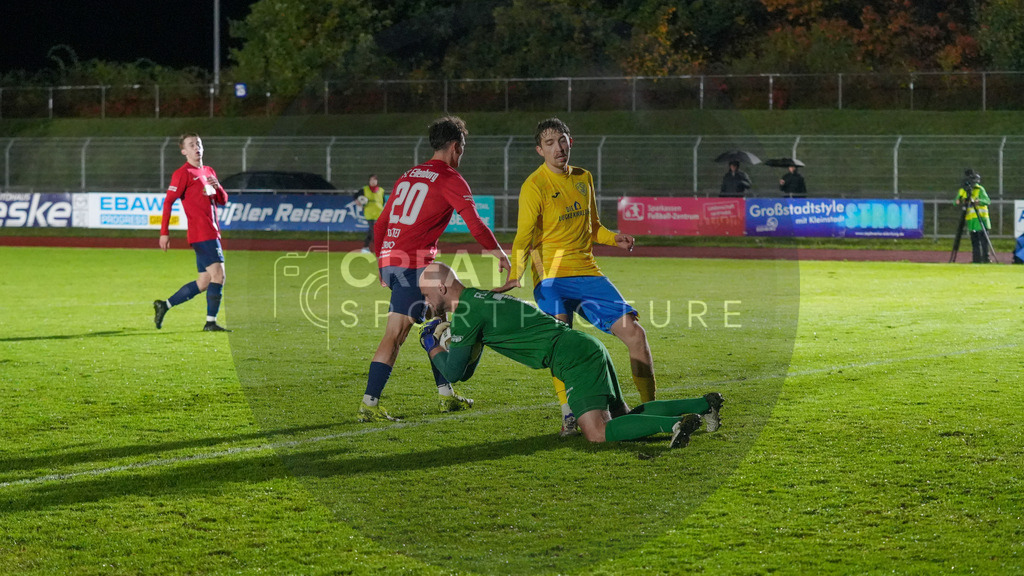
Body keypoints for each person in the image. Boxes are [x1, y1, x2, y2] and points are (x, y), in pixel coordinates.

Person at [420, 262, 724, 448]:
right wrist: (451, 343)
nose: (424, 300)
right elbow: (467, 366)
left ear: (442, 287)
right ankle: (703, 404)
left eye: (425, 293)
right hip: (582, 346)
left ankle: (674, 425)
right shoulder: (478, 299)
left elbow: (455, 372)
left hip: (570, 356)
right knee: (625, 418)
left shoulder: (469, 312)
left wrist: (430, 345)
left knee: (597, 433)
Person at [497, 117, 656, 437]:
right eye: (551, 143)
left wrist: (615, 238)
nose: (559, 148)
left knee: (635, 335)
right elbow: (523, 236)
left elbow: (594, 226)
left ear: (571, 142)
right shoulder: (534, 186)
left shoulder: (584, 178)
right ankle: (569, 414)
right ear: (539, 150)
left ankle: (649, 406)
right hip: (551, 277)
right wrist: (516, 275)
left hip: (587, 271)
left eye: (563, 140)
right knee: (561, 344)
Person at [359, 116, 512, 423]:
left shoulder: (408, 175)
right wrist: (499, 252)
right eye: (462, 148)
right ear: (456, 146)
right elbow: (476, 222)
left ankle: (446, 395)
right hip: (411, 264)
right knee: (396, 333)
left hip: (392, 260)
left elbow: (380, 224)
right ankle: (369, 403)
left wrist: (381, 264)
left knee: (438, 322)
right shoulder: (449, 178)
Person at [153, 133, 231, 332]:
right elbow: (168, 202)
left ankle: (164, 305)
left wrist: (218, 186)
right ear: (184, 151)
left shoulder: (208, 171)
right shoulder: (183, 173)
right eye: (191, 145)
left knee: (204, 281)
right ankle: (210, 323)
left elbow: (222, 200)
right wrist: (164, 232)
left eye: (198, 144)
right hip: (201, 234)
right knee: (219, 275)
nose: (196, 148)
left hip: (212, 232)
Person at [956, 169, 992, 264]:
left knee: (984, 242)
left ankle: (986, 259)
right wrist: (959, 201)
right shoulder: (963, 191)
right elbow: (956, 201)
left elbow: (987, 201)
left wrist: (978, 201)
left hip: (981, 220)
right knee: (974, 242)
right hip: (972, 222)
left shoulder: (980, 189)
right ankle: (976, 260)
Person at [357, 173, 386, 254]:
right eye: (371, 180)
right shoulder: (364, 189)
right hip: (369, 213)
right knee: (374, 230)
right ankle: (380, 248)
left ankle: (365, 247)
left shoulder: (381, 190)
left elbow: (383, 201)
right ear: (369, 181)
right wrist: (358, 201)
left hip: (379, 213)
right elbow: (356, 197)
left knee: (371, 230)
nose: (373, 181)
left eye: (375, 180)